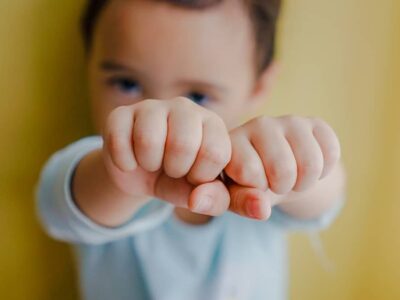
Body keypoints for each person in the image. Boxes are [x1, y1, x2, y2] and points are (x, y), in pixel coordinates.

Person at [36, 0, 346, 299]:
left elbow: (327, 195)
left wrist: (292, 167)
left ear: (259, 88)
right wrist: (120, 175)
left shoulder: (257, 167)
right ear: (88, 63)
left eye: (198, 95)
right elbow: (57, 207)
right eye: (127, 83)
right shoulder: (97, 166)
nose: (163, 117)